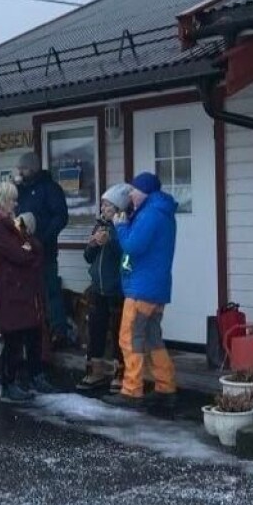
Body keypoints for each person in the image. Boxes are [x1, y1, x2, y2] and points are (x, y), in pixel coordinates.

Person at [103, 171, 178, 410]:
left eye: (134, 190)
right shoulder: (161, 212)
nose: (131, 194)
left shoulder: (150, 214)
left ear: (144, 191)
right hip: (155, 288)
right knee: (153, 338)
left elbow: (133, 246)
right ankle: (166, 387)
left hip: (141, 289)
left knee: (130, 338)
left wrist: (121, 225)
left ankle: (131, 390)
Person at [0, 181, 55, 403]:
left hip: (24, 288)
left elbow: (34, 248)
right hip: (10, 290)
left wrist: (28, 247)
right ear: (1, 201)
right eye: (12, 199)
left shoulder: (10, 225)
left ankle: (35, 375)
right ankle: (9, 383)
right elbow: (21, 254)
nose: (15, 203)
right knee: (13, 338)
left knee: (33, 332)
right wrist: (28, 247)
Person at [77, 183, 130, 393]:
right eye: (103, 205)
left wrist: (111, 240)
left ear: (118, 208)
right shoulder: (99, 226)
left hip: (117, 288)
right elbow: (88, 257)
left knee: (119, 331)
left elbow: (127, 253)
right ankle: (95, 370)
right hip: (97, 287)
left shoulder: (123, 227)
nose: (103, 209)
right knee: (96, 329)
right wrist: (93, 244)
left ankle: (120, 372)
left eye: (108, 205)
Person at [15, 151, 70, 347]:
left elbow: (61, 216)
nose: (20, 172)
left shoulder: (50, 188)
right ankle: (35, 328)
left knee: (50, 289)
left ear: (33, 168)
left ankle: (58, 331)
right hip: (24, 249)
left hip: (45, 249)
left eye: (23, 168)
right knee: (28, 291)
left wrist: (45, 237)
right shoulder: (20, 190)